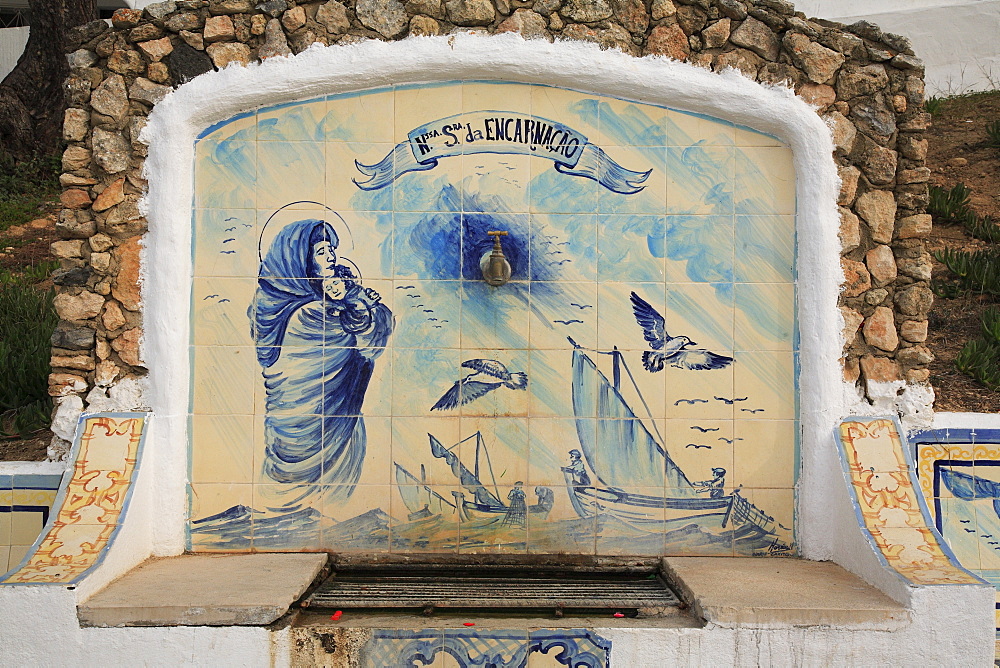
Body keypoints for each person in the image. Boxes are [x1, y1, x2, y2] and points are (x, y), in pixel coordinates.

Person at [250, 218, 393, 512]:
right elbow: (361, 332)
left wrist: (356, 299)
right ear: (300, 261)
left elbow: (366, 330)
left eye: (332, 249)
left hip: (330, 410)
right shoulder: (309, 311)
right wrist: (358, 303)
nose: (331, 257)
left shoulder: (314, 300)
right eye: (321, 251)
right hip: (303, 415)